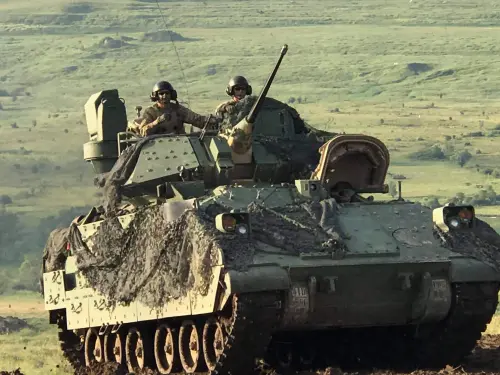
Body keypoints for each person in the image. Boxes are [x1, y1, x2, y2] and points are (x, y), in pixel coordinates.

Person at [133, 80, 219, 137]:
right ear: (155, 96)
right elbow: (143, 132)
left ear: (171, 95)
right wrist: (157, 122)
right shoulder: (150, 112)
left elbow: (196, 119)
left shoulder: (178, 109)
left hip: (180, 142)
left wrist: (212, 120)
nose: (164, 96)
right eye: (161, 94)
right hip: (156, 145)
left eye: (167, 93)